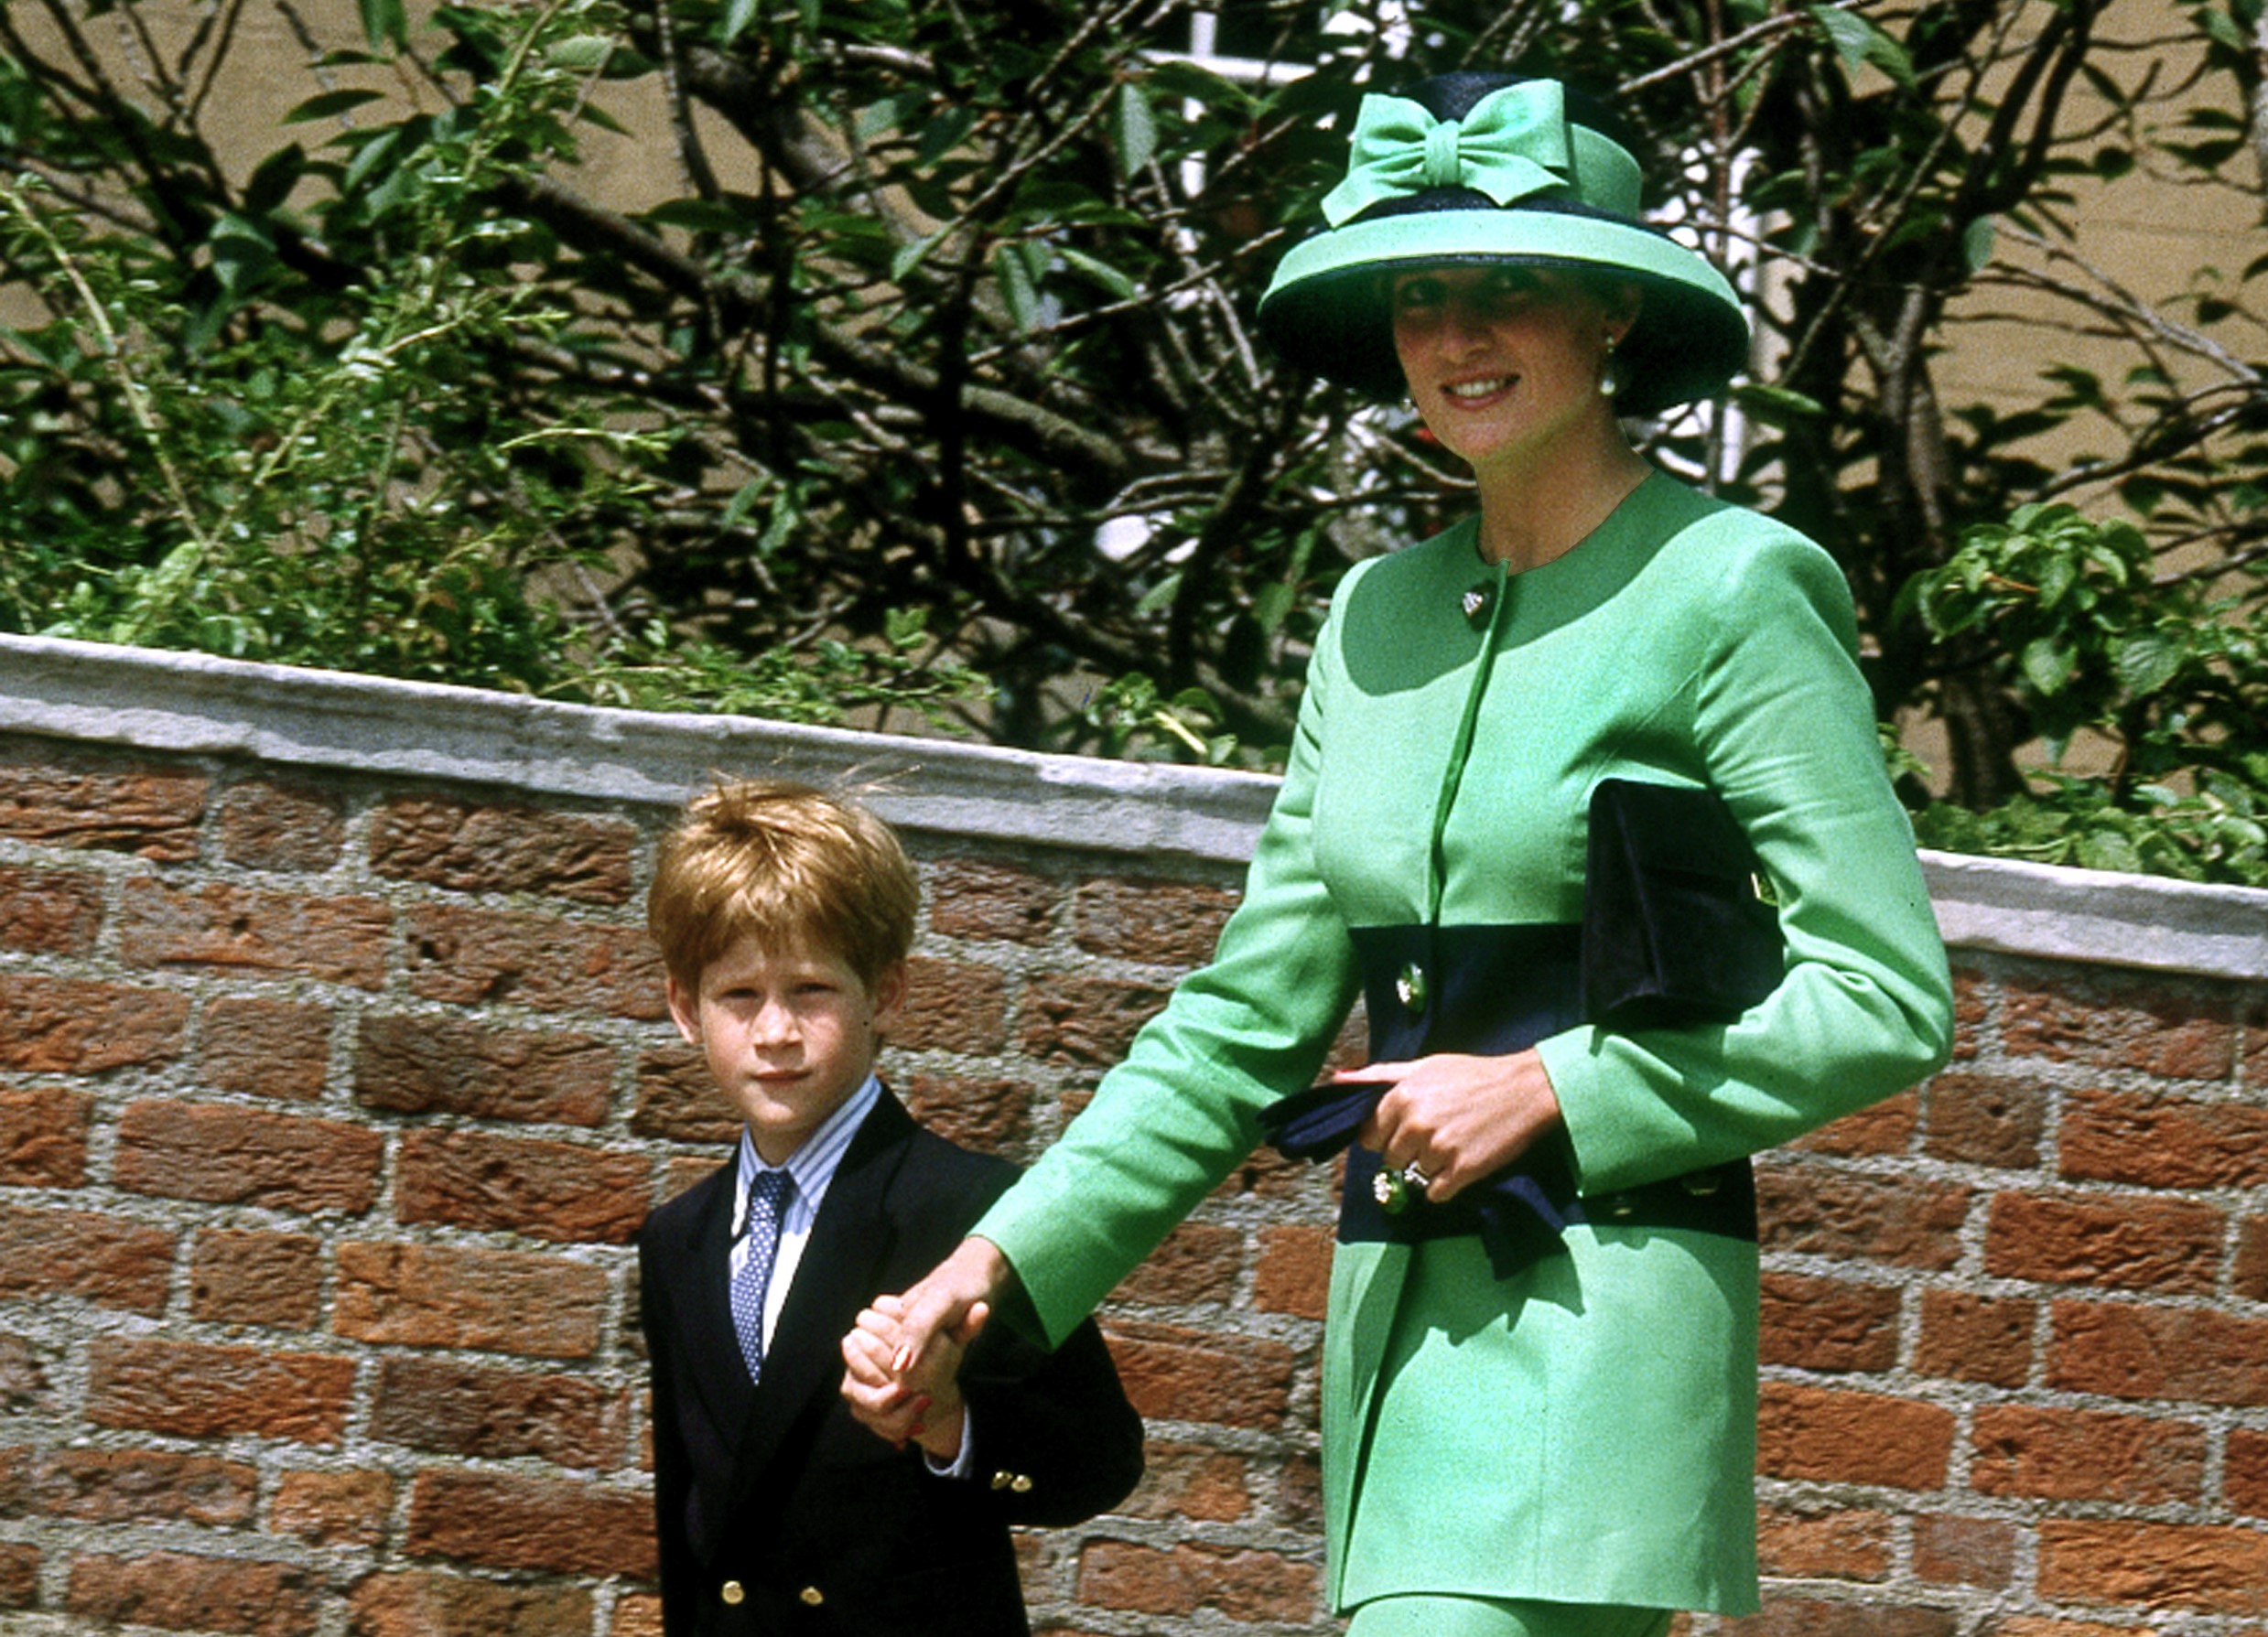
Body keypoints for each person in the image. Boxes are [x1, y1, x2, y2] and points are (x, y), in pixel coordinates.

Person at [868, 70, 1954, 1637]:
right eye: (1420, 293)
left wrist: (1555, 1081)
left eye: (1511, 284)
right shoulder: (1372, 618)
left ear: (1612, 322)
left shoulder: (1729, 584)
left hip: (1602, 1332)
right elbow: (1241, 1024)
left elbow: (1881, 992)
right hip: (1389, 1333)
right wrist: (987, 1264)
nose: (1458, 335)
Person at [636, 778, 1144, 1636]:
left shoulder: (971, 1208)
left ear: (887, 993)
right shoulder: (677, 1236)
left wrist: (950, 1419)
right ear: (686, 1008)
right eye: (738, 996)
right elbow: (689, 1518)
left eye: (812, 990)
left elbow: (1101, 1462)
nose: (775, 1032)